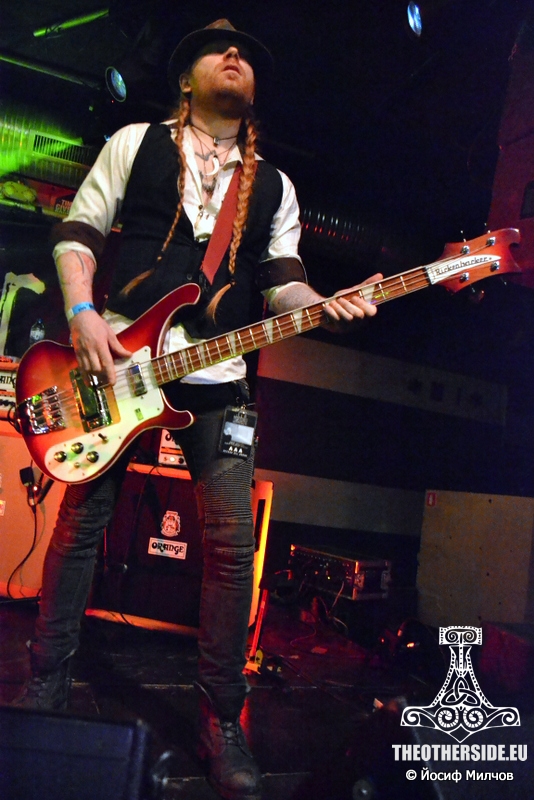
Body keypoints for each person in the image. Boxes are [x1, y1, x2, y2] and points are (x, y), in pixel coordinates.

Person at [13, 19, 380, 800]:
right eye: (219, 49)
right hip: (119, 359)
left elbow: (283, 282)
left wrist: (324, 305)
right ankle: (46, 682)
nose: (236, 55)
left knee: (230, 545)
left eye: (247, 53)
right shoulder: (135, 143)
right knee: (82, 521)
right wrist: (81, 314)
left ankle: (222, 719)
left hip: (218, 374)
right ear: (186, 78)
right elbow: (78, 231)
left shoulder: (274, 186)